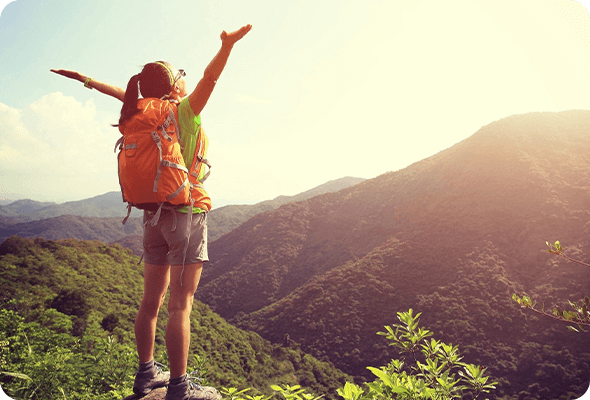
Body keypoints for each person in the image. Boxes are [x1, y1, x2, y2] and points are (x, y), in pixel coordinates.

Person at [52, 24, 252, 400]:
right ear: (174, 87)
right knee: (181, 306)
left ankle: (146, 375)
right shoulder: (184, 113)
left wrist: (87, 80)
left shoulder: (137, 111)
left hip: (150, 217)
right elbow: (211, 77)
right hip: (186, 214)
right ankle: (178, 387)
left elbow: (120, 93)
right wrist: (226, 47)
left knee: (149, 304)